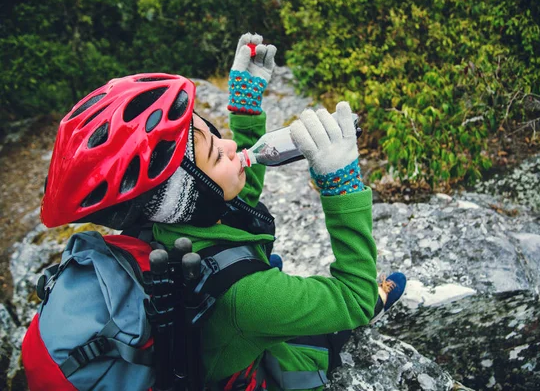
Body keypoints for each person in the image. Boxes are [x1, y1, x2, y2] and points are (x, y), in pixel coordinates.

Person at [39, 33, 406, 390]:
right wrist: (342, 189)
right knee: (328, 325)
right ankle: (378, 301)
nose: (230, 144)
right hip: (247, 360)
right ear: (187, 198)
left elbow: (231, 196)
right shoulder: (250, 297)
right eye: (215, 152)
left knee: (261, 265)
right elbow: (351, 297)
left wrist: (246, 110)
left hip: (219, 329)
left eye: (214, 133)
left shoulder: (163, 225)